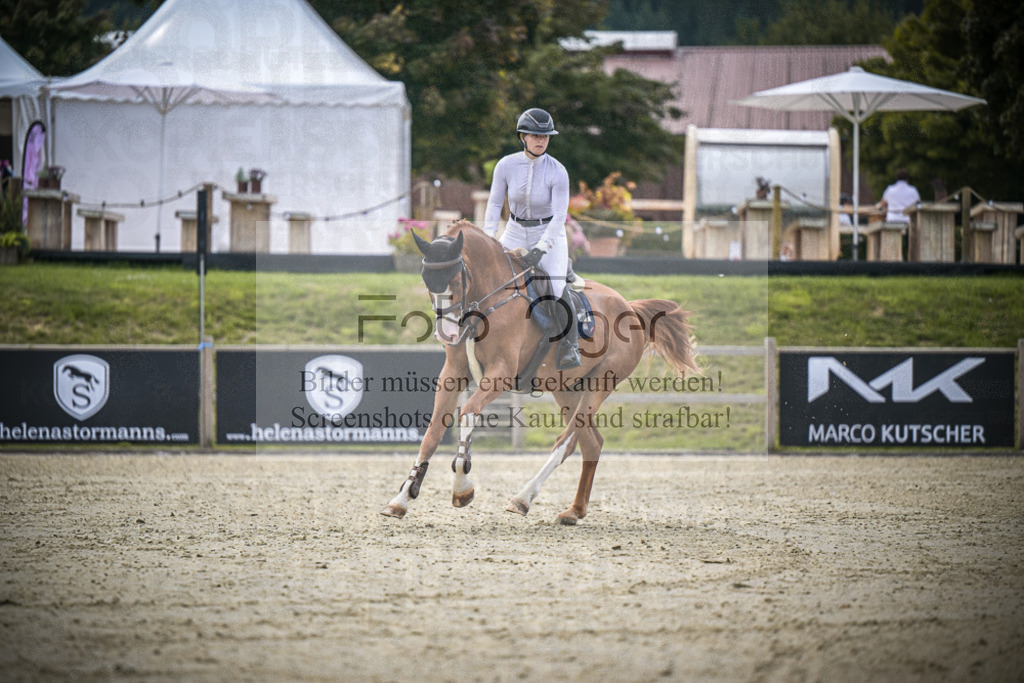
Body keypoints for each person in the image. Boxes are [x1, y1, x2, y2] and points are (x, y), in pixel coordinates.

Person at [483, 107, 580, 370]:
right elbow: (494, 205)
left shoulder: (558, 171)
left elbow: (560, 216)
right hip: (514, 229)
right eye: (535, 135)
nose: (541, 140)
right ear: (522, 136)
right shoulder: (505, 165)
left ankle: (570, 344)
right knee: (490, 278)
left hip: (548, 231)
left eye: (546, 136)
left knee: (557, 290)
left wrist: (543, 247)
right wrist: (489, 240)